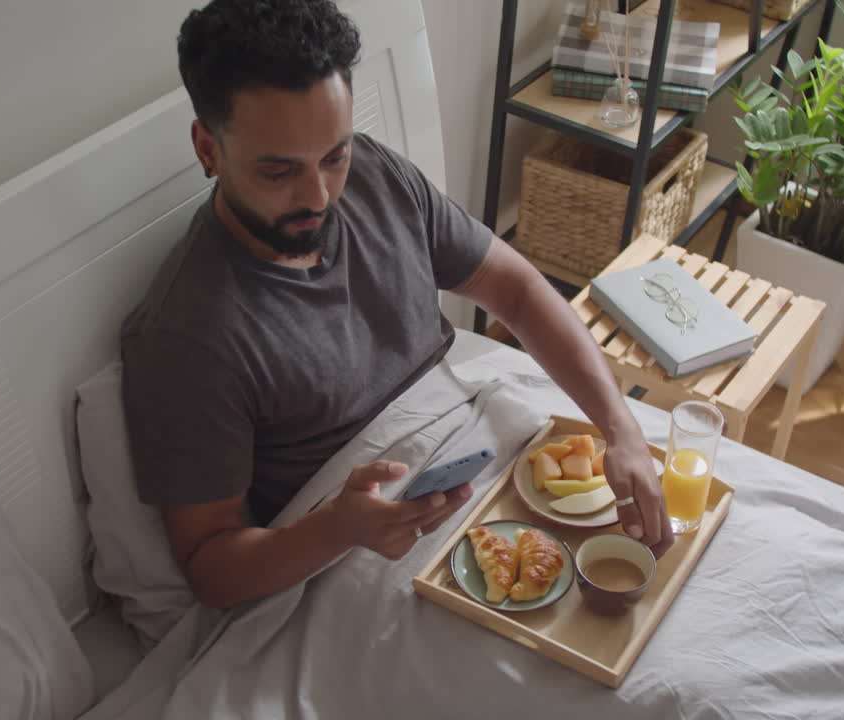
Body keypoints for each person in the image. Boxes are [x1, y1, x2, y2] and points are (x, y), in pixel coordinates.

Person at [121, 0, 673, 610]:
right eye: (279, 172)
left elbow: (514, 288)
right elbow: (210, 567)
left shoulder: (377, 174)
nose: (320, 194)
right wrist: (339, 526)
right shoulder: (189, 337)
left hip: (475, 455)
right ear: (207, 149)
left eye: (334, 155)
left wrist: (621, 428)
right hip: (349, 554)